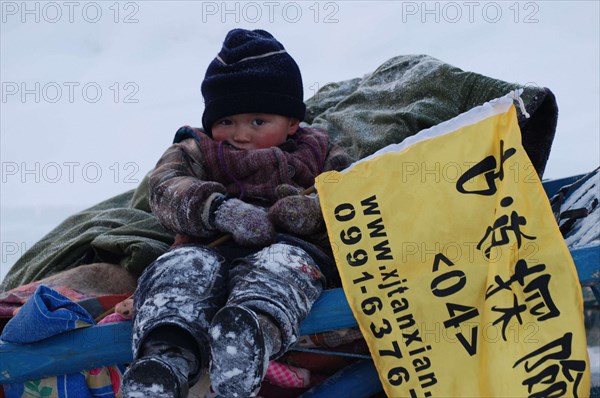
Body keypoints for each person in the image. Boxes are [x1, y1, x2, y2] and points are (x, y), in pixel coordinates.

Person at [121, 28, 353, 398]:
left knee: (284, 271)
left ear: (292, 122)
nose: (239, 134)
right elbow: (165, 186)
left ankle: (247, 341)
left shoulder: (319, 151)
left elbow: (351, 194)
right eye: (226, 121)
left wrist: (313, 211)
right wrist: (218, 209)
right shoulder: (195, 147)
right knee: (180, 274)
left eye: (258, 122)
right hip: (206, 243)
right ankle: (164, 362)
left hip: (287, 246)